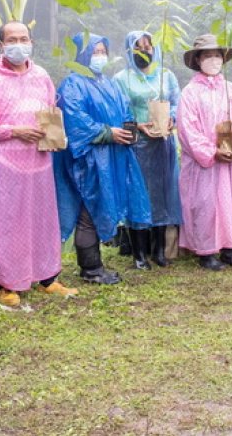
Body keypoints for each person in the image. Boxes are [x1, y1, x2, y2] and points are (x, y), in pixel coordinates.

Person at [0, 22, 76, 309]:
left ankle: (47, 278)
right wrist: (15, 131)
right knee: (8, 225)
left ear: (31, 41)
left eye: (23, 38)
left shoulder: (41, 76)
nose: (18, 44)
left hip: (38, 165)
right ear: (1, 46)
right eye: (11, 39)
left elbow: (50, 112)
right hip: (3, 169)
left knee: (42, 223)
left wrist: (54, 135)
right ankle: (6, 282)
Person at [54, 32, 152, 283]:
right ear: (82, 54)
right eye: (94, 52)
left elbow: (125, 110)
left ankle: (96, 265)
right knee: (88, 210)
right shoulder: (73, 84)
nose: (99, 57)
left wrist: (130, 128)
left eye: (102, 52)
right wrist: (107, 133)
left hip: (111, 158)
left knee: (99, 208)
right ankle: (90, 268)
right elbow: (74, 120)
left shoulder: (108, 83)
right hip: (88, 160)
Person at [177, 34, 232, 270]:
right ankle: (206, 251)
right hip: (204, 164)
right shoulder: (190, 93)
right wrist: (211, 152)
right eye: (208, 55)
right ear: (198, 59)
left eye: (217, 55)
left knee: (230, 202)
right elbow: (187, 129)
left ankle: (230, 249)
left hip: (229, 161)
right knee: (204, 204)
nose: (213, 59)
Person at [114, 31, 183, 268]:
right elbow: (118, 110)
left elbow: (176, 101)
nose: (145, 51)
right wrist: (136, 124)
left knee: (161, 192)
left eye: (148, 46)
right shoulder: (122, 78)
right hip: (138, 145)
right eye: (138, 47)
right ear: (129, 50)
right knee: (138, 194)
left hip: (162, 143)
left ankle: (159, 251)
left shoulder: (166, 75)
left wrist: (172, 118)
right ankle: (139, 254)